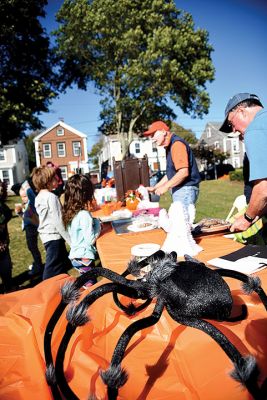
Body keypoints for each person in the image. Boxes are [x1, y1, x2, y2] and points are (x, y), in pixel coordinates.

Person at [219, 93, 266, 233]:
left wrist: (247, 218)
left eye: (230, 123)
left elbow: (264, 188)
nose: (233, 129)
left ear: (241, 111)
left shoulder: (255, 128)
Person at [144, 121, 201, 208]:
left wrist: (165, 187)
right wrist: (155, 187)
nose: (152, 138)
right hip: (182, 190)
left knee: (182, 221)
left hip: (185, 189)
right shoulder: (170, 146)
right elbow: (170, 174)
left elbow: (183, 172)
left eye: (153, 135)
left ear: (163, 131)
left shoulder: (177, 145)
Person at [32, 166, 72, 280]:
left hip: (46, 237)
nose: (57, 179)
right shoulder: (51, 197)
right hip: (54, 237)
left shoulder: (39, 197)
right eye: (54, 178)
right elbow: (58, 221)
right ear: (47, 181)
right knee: (51, 270)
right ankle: (45, 291)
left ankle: (64, 289)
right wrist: (71, 241)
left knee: (61, 266)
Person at [62, 174, 101, 288]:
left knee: (86, 285)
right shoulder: (84, 215)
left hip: (76, 256)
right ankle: (87, 305)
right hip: (84, 257)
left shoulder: (71, 212)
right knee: (91, 288)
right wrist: (98, 225)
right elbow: (90, 240)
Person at [17, 185, 43, 276]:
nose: (23, 199)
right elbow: (25, 218)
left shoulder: (32, 203)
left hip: (32, 228)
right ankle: (37, 263)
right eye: (21, 197)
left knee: (32, 247)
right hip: (28, 228)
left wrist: (27, 187)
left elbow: (32, 195)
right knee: (31, 247)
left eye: (24, 196)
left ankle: (38, 266)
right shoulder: (26, 205)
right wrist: (20, 213)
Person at [0, 180, 13, 292]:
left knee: (6, 271)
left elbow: (7, 214)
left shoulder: (1, 204)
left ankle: (8, 290)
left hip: (3, 243)